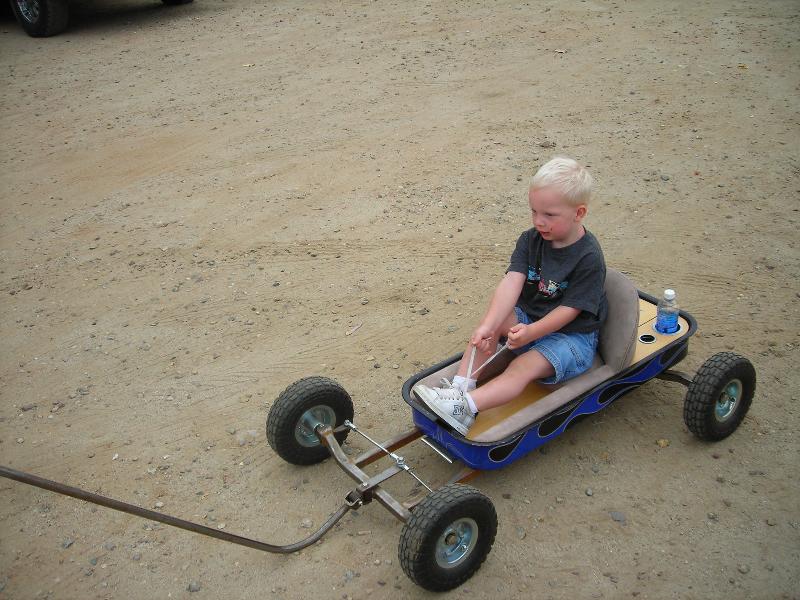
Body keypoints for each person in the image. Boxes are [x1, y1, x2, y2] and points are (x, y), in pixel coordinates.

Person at [413, 156, 608, 435]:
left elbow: (570, 310)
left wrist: (532, 333)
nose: (539, 221)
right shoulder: (531, 239)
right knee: (496, 321)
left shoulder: (588, 257)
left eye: (549, 215)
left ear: (579, 213)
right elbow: (512, 282)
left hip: (571, 338)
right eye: (534, 211)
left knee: (522, 365)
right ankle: (459, 388)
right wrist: (488, 325)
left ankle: (466, 407)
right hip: (530, 322)